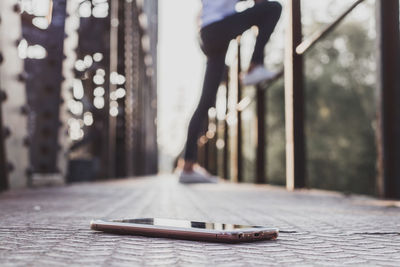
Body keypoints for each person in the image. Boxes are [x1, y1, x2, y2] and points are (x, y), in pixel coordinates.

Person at [179, 0, 282, 183]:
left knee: (205, 101)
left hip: (209, 33)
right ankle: (254, 66)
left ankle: (187, 166)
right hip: (218, 28)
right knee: (273, 8)